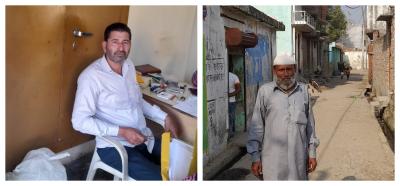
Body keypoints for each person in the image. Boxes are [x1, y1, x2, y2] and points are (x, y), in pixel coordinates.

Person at [71, 22, 179, 180]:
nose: (121, 48)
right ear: (104, 45)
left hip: (144, 138)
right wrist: (122, 132)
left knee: (184, 164)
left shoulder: (129, 66)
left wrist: (165, 117)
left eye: (125, 42)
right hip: (115, 147)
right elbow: (79, 121)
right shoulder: (91, 77)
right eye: (115, 42)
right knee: (162, 179)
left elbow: (137, 101)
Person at [247, 53, 319, 180]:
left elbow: (310, 127)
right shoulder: (265, 92)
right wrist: (255, 157)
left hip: (298, 160)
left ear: (294, 70)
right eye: (281, 69)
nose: (285, 74)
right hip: (272, 162)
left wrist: (312, 153)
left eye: (289, 69)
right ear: (274, 71)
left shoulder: (303, 92)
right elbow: (257, 126)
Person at [228, 69, 240, 141]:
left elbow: (238, 89)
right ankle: (230, 132)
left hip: (231, 101)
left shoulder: (233, 76)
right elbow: (238, 89)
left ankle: (231, 132)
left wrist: (229, 95)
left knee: (230, 117)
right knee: (230, 117)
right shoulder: (234, 76)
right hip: (228, 101)